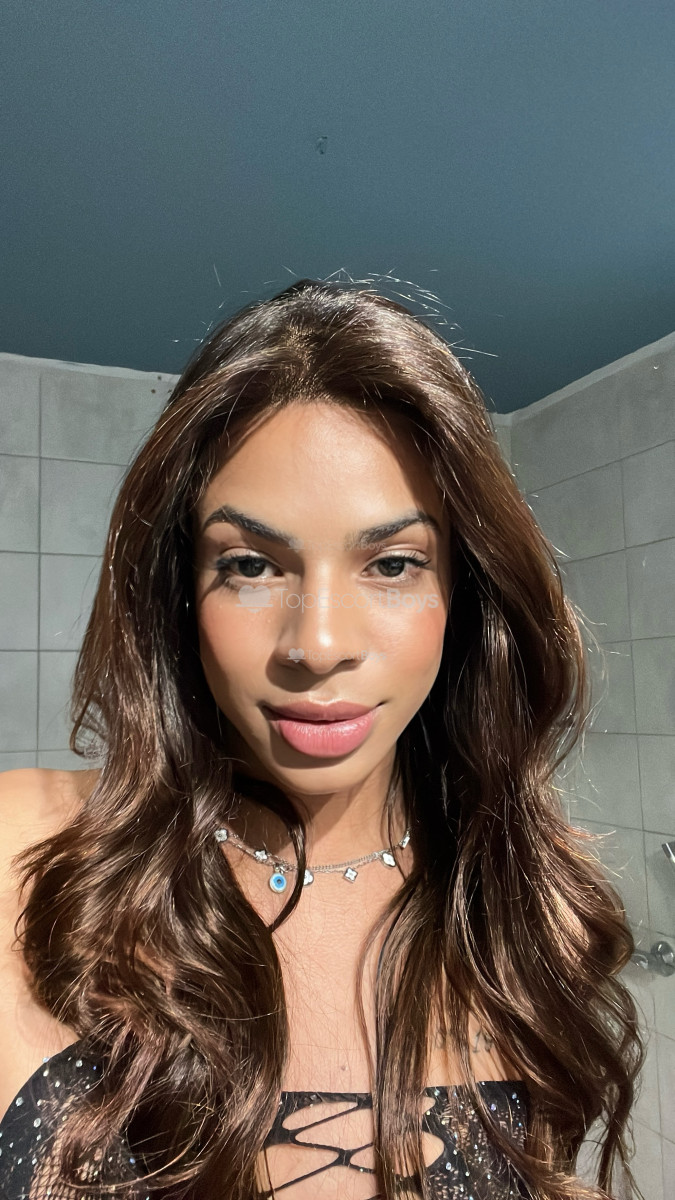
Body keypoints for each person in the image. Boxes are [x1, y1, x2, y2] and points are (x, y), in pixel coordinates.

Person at [0, 279, 644, 1200]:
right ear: (179, 592)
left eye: (393, 564)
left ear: (465, 596)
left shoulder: (524, 911)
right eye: (250, 564)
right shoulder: (23, 854)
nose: (318, 644)